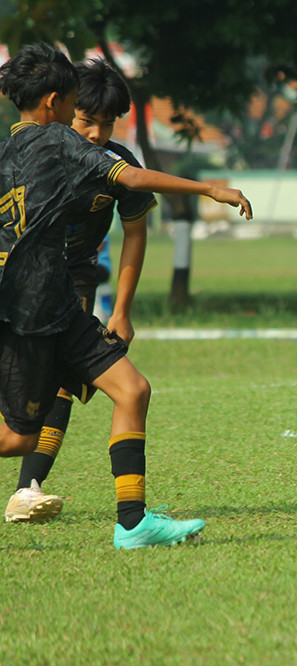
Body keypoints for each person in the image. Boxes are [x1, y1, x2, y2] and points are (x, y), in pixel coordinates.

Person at [0, 43, 252, 549]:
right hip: (29, 310)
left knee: (132, 390)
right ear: (54, 103)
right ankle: (31, 486)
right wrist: (209, 189)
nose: (85, 122)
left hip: (62, 304)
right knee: (17, 438)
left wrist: (120, 309)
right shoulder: (55, 139)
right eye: (76, 106)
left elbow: (130, 212)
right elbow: (133, 177)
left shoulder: (14, 149)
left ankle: (132, 525)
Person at [5, 58, 156, 525]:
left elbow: (135, 234)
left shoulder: (116, 164)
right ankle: (26, 490)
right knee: (47, 396)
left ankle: (124, 517)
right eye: (86, 120)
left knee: (76, 385)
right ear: (63, 109)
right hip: (30, 283)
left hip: (78, 279)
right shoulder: (42, 151)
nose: (95, 133)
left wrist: (123, 310)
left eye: (106, 124)